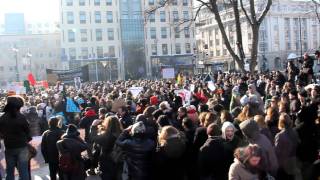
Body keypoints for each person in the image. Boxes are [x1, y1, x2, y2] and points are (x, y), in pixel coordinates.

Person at [0, 96, 32, 180]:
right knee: (23, 171)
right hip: (22, 146)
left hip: (9, 147)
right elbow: (28, 131)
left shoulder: (2, 118)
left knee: (10, 171)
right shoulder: (21, 117)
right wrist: (27, 140)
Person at [90, 116, 122, 180]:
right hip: (118, 159)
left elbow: (93, 138)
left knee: (106, 176)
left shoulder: (105, 136)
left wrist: (93, 126)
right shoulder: (121, 134)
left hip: (106, 160)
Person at [274, 113, 301, 180]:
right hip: (293, 160)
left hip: (283, 164)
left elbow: (276, 151)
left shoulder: (279, 135)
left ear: (280, 122)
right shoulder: (295, 132)